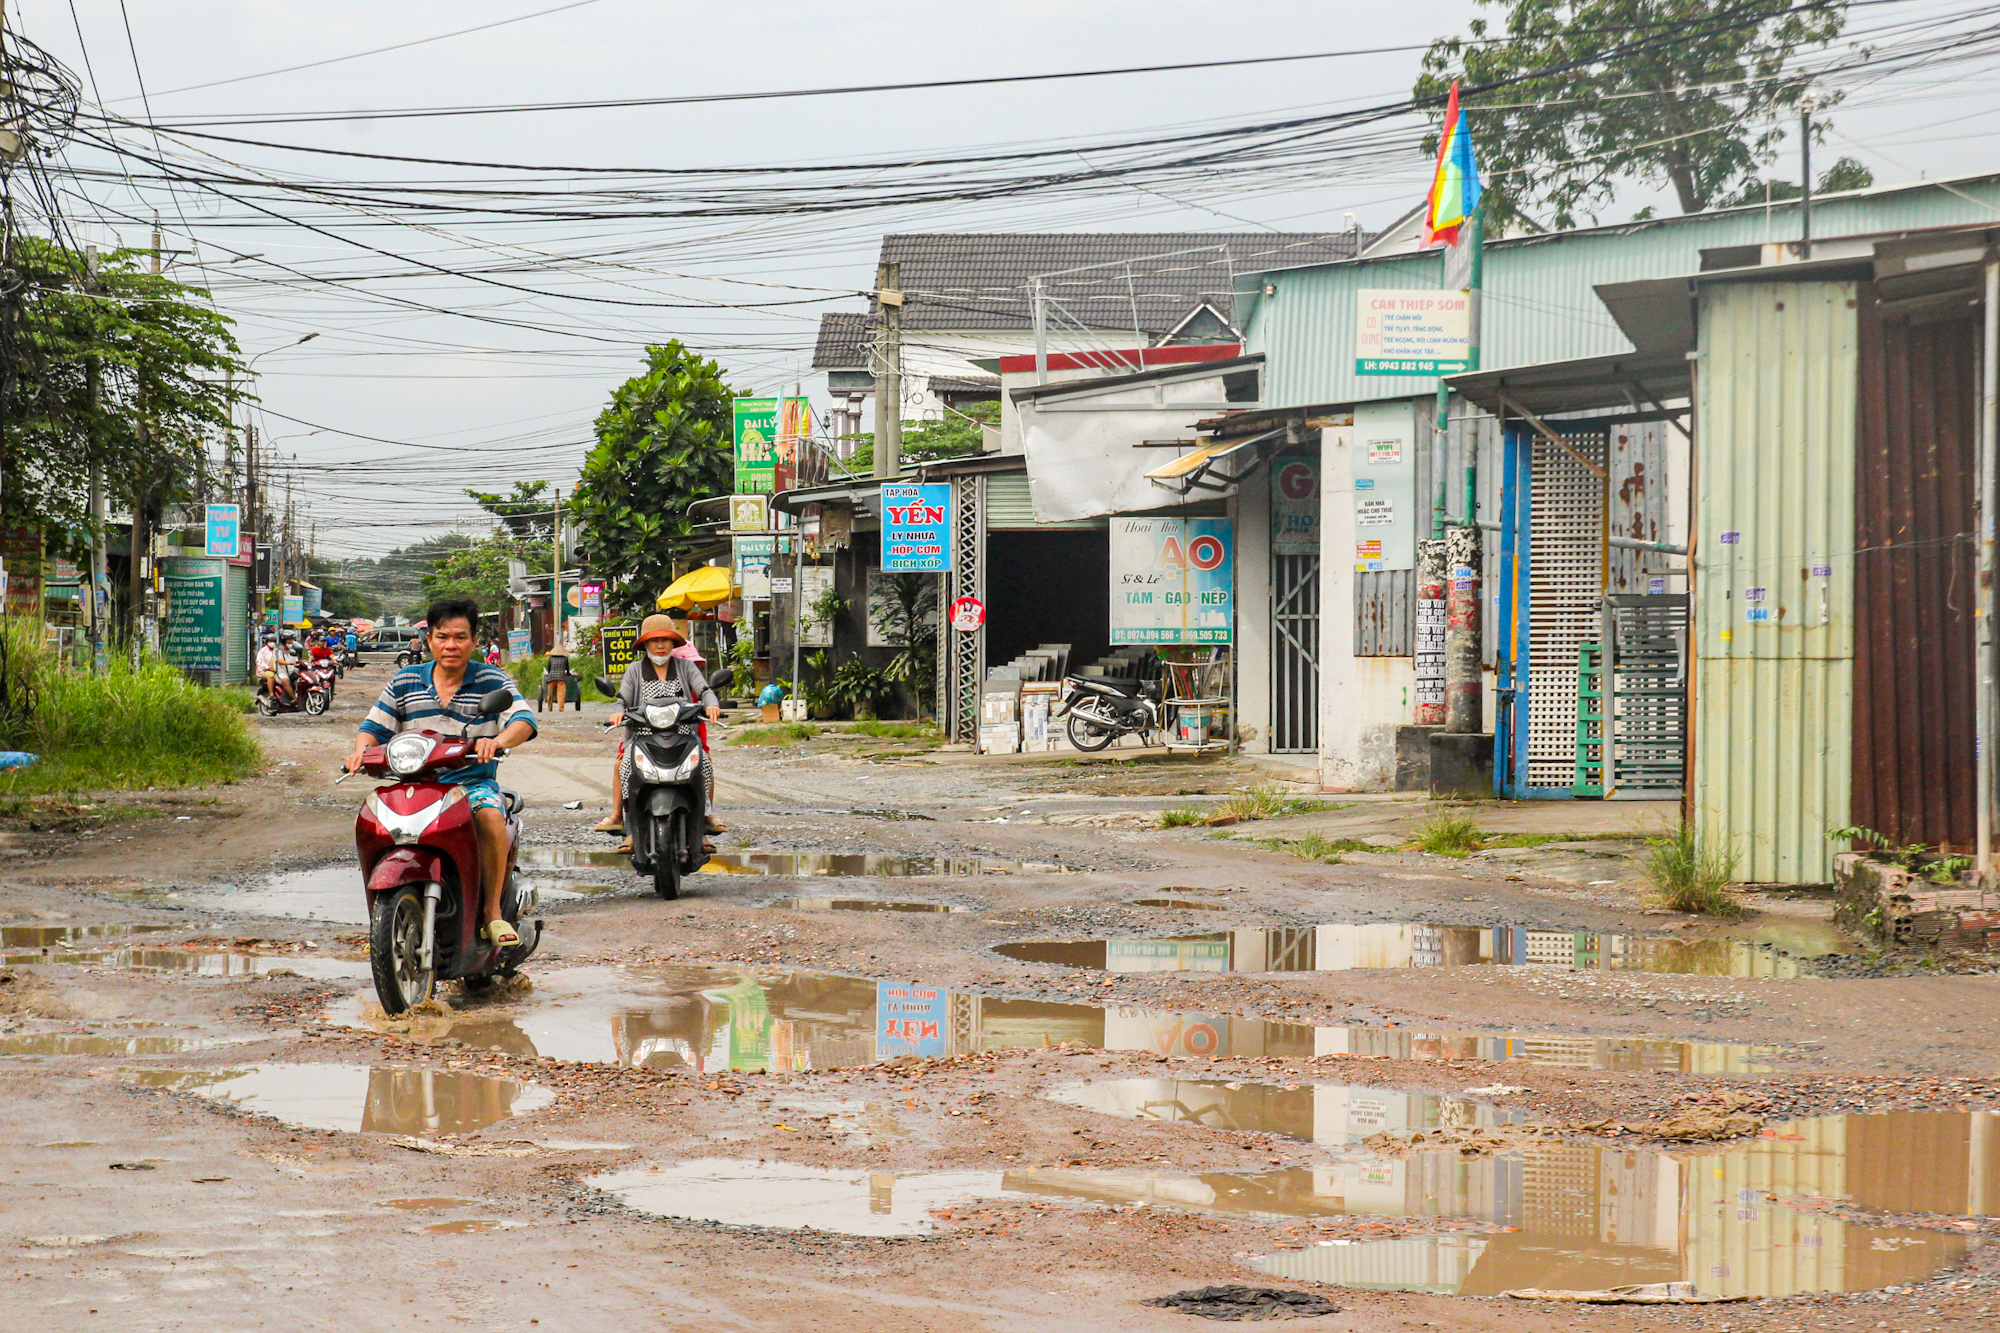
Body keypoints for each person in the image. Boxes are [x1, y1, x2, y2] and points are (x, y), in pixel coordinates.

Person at [345, 597, 538, 947]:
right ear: (429, 639)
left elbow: (523, 720)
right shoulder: (405, 681)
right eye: (443, 637)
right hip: (416, 786)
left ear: (474, 641)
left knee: (491, 818)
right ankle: (382, 915)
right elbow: (373, 726)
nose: (451, 645)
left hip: (471, 784)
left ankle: (492, 913)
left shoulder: (491, 679)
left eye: (460, 637)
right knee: (371, 821)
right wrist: (360, 750)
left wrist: (497, 741)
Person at [597, 614, 720, 851]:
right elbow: (621, 700)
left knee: (704, 764)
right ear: (645, 644)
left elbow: (704, 690)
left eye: (665, 640)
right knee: (622, 766)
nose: (660, 645)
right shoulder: (634, 670)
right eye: (655, 641)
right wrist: (618, 713)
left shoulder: (686, 667)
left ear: (674, 643)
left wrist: (712, 704)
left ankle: (704, 822)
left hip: (683, 734)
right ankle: (623, 821)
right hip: (642, 736)